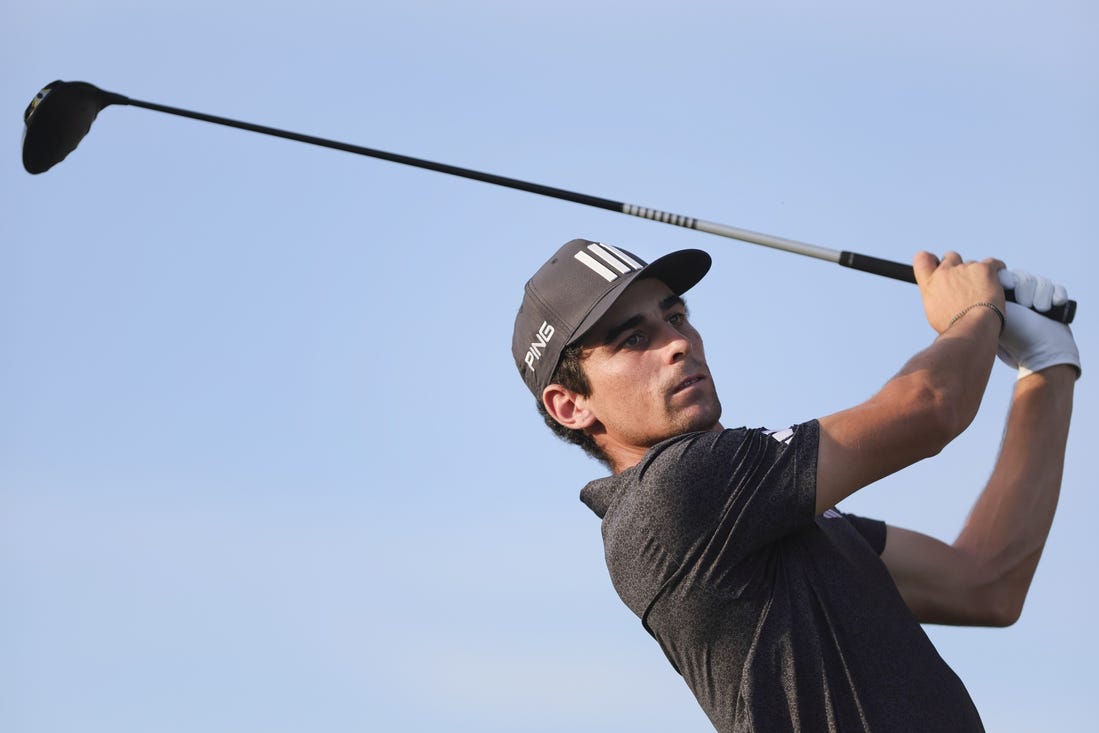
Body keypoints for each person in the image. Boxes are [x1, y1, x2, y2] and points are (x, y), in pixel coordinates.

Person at [511, 238, 1079, 732]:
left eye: (676, 318)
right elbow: (931, 406)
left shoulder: (763, 515)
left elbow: (984, 583)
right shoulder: (675, 492)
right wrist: (976, 310)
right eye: (633, 340)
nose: (677, 343)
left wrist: (1046, 365)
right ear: (571, 405)